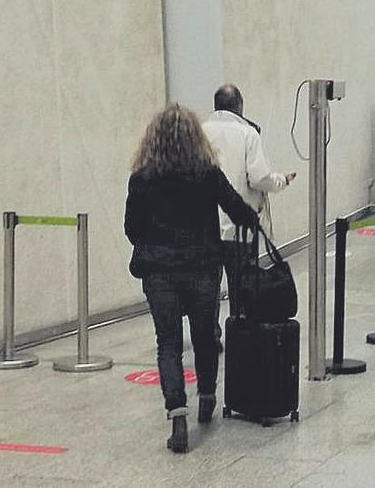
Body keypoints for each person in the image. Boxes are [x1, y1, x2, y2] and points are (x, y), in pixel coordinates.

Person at [125, 104, 260, 453]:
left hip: (159, 270)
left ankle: (177, 416)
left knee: (167, 343)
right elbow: (238, 209)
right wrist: (254, 217)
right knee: (203, 336)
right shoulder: (207, 173)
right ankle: (207, 397)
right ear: (194, 138)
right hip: (202, 267)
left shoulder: (142, 178)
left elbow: (132, 228)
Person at [202, 85, 294, 346]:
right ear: (239, 106)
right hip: (238, 226)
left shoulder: (199, 131)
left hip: (205, 228)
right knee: (241, 286)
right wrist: (282, 180)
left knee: (208, 289)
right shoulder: (248, 133)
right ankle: (238, 335)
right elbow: (259, 178)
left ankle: (210, 337)